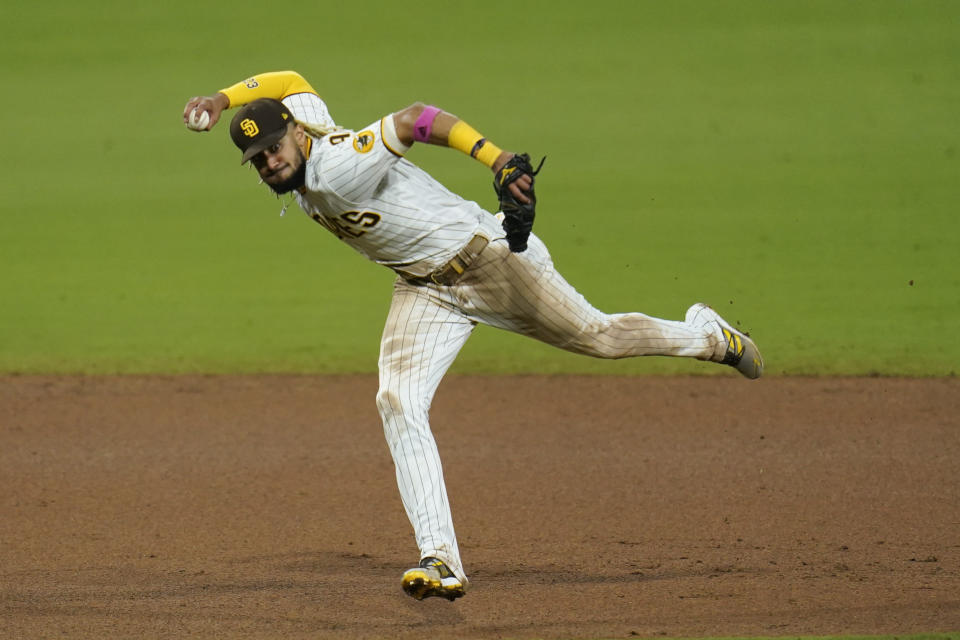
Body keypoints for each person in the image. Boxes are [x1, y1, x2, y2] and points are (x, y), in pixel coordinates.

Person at [182, 70, 763, 602]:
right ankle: (439, 559)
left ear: (297, 136)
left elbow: (414, 118)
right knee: (397, 401)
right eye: (257, 161)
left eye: (272, 151)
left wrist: (495, 158)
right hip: (424, 291)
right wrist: (221, 99)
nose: (268, 166)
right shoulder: (305, 126)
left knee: (600, 337)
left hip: (489, 263)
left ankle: (708, 337)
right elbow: (291, 80)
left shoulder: (335, 166)